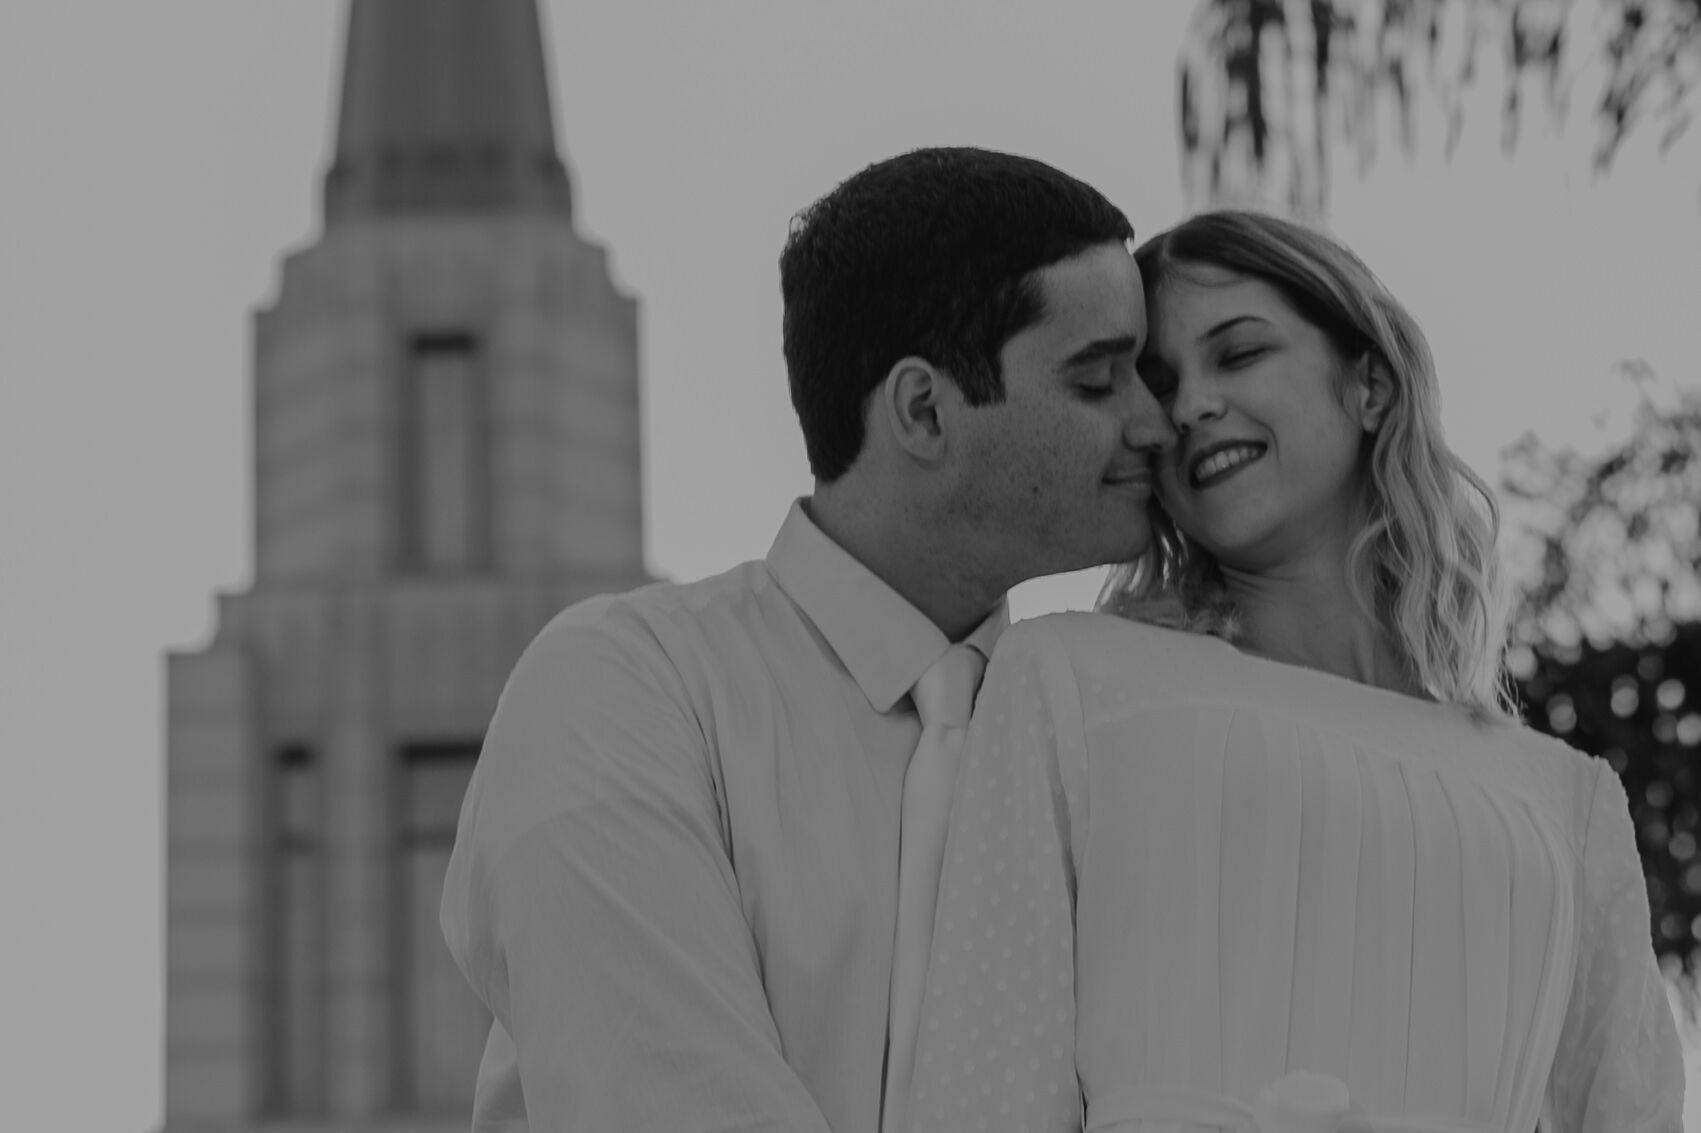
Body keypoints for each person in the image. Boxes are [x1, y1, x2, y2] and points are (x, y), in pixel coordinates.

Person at [437, 146, 1176, 1133]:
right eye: (1099, 380)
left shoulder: (1115, 739)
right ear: (924, 410)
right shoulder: (625, 690)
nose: (1156, 422)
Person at [904, 210, 1686, 1132]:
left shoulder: (1563, 801)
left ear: (1370, 385)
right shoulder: (1072, 677)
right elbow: (980, 1086)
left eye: (1237, 354)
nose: (1188, 406)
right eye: (1161, 382)